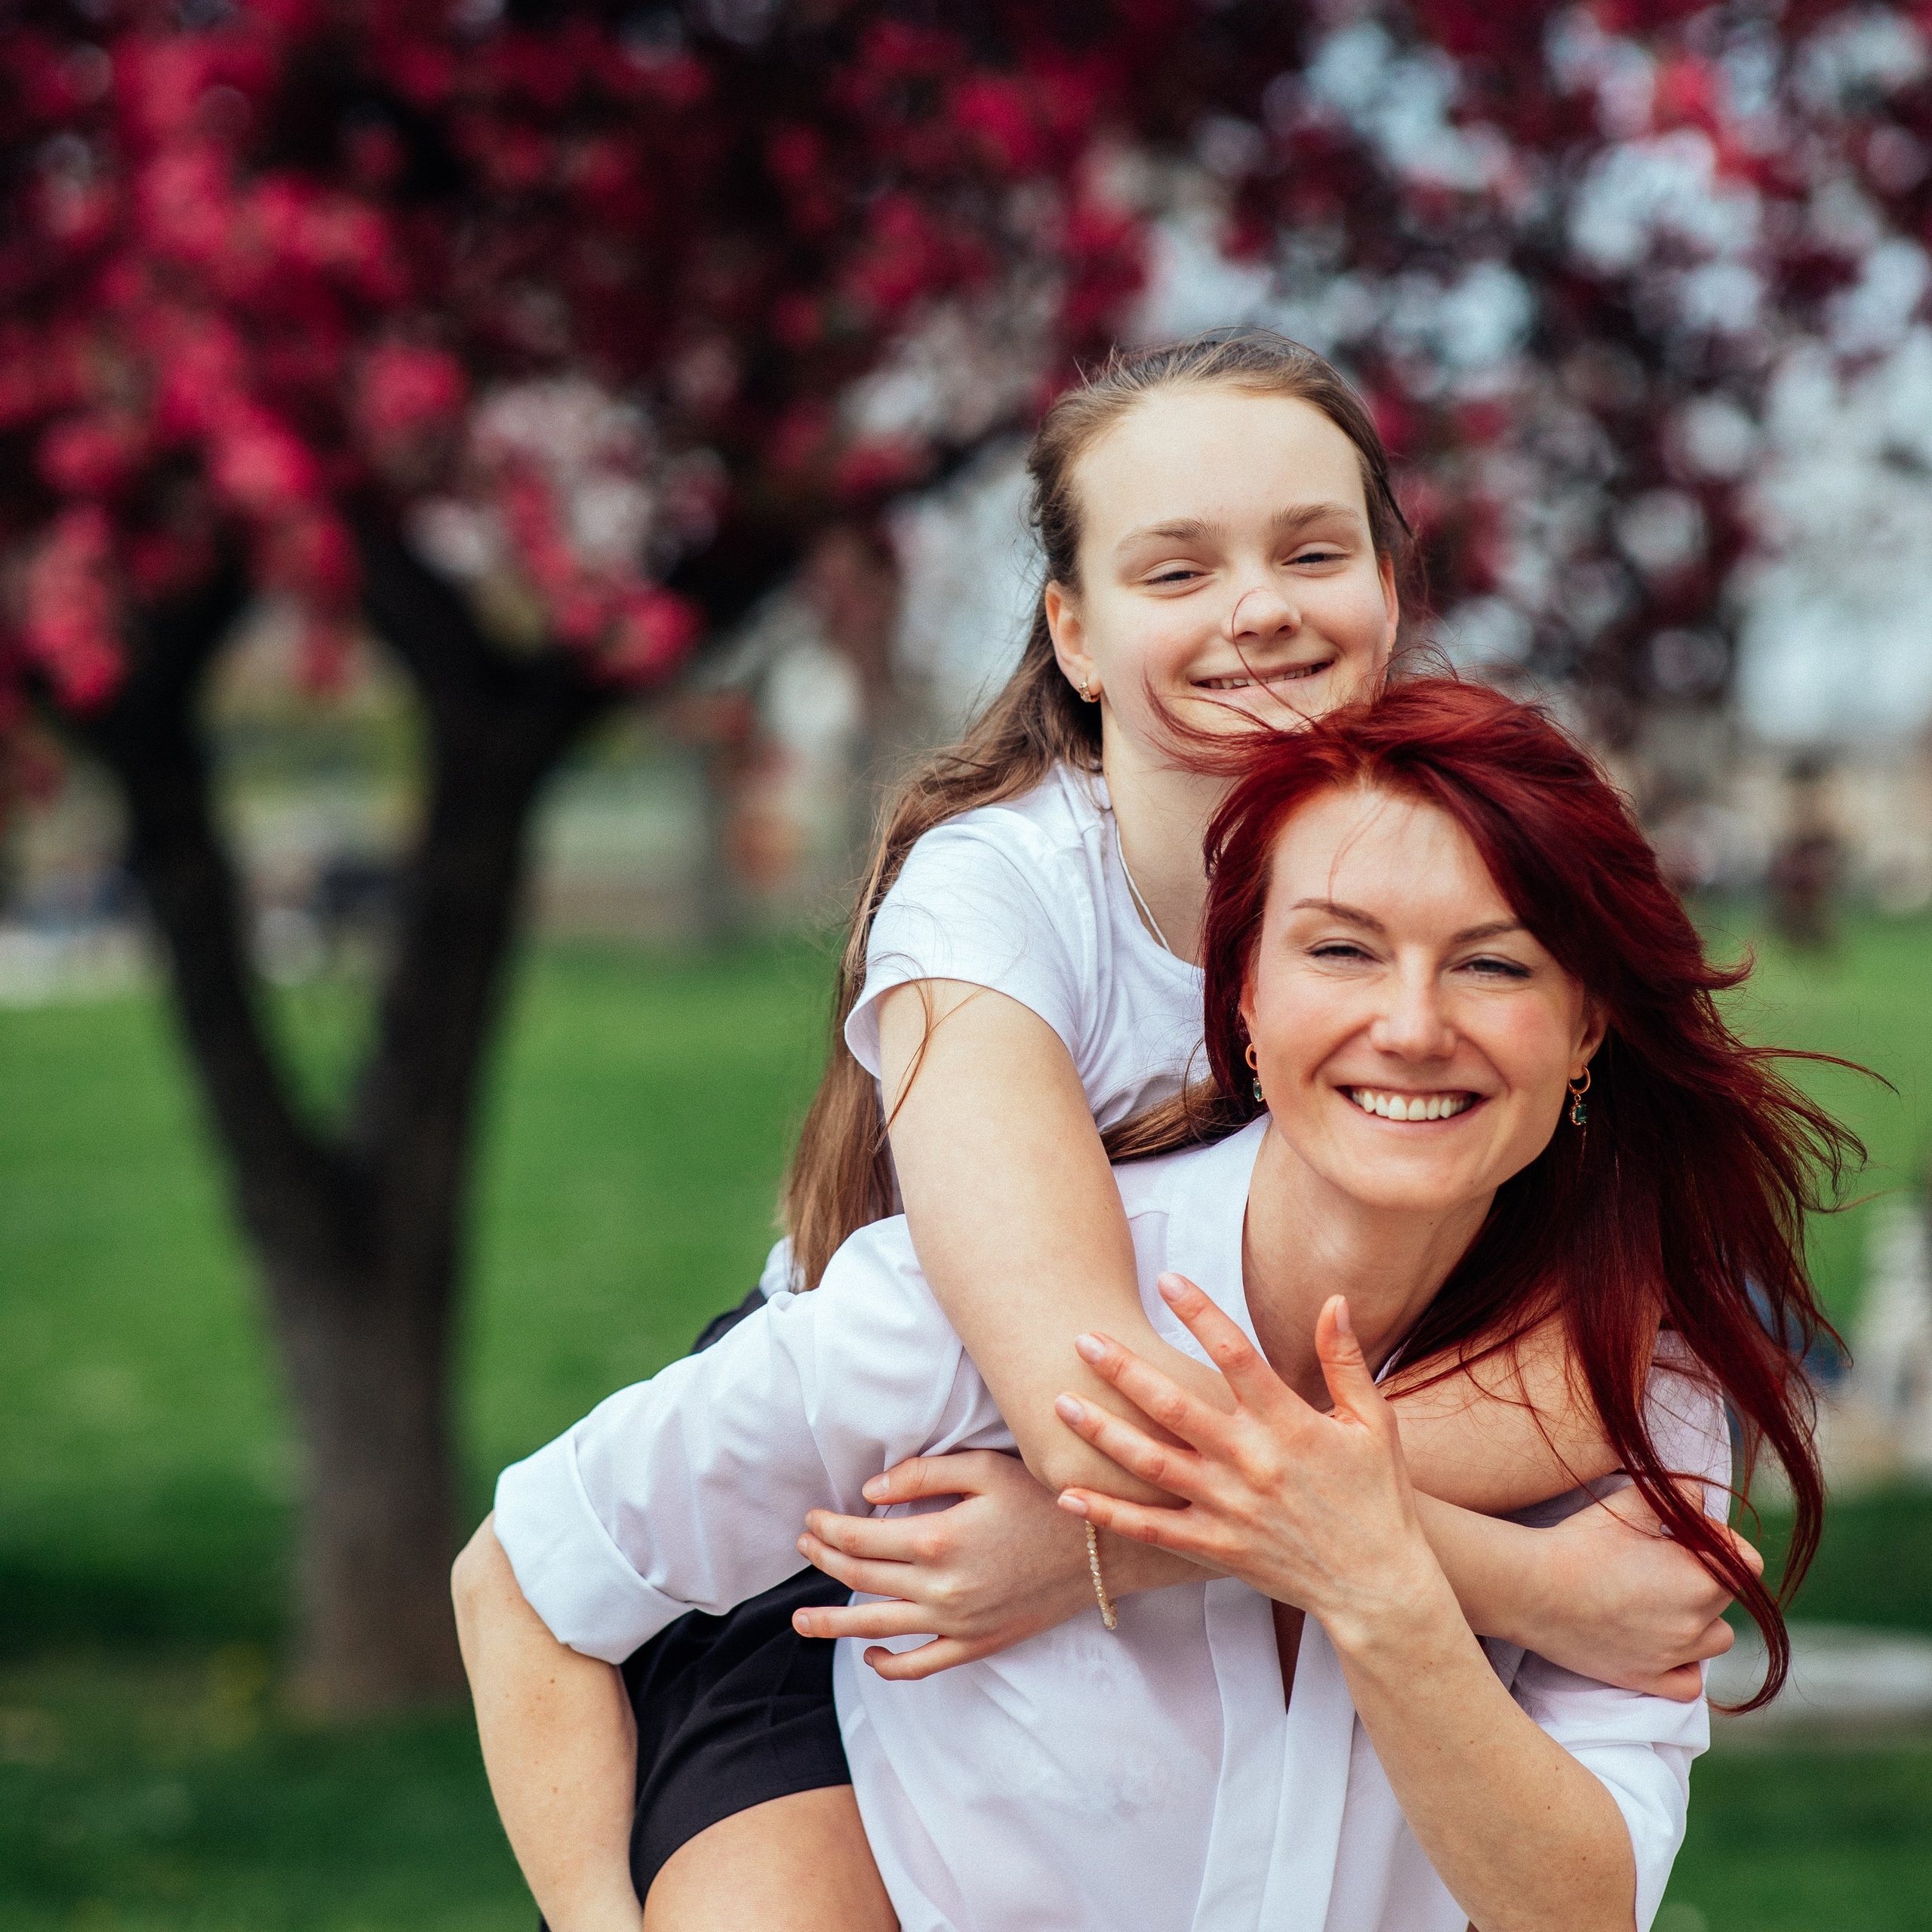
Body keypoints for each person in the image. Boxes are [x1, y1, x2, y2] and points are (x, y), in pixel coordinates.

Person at [454, 334, 1754, 1930]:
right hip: (885, 1486)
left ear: (1390, 589)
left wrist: (1163, 1551)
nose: (1257, 607)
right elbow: (1085, 1419)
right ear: (1070, 628)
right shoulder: (992, 895)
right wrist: (1534, 1579)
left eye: (1310, 549)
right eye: (1175, 567)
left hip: (1224, 1419)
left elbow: (1620, 1352)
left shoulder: (1467, 869)